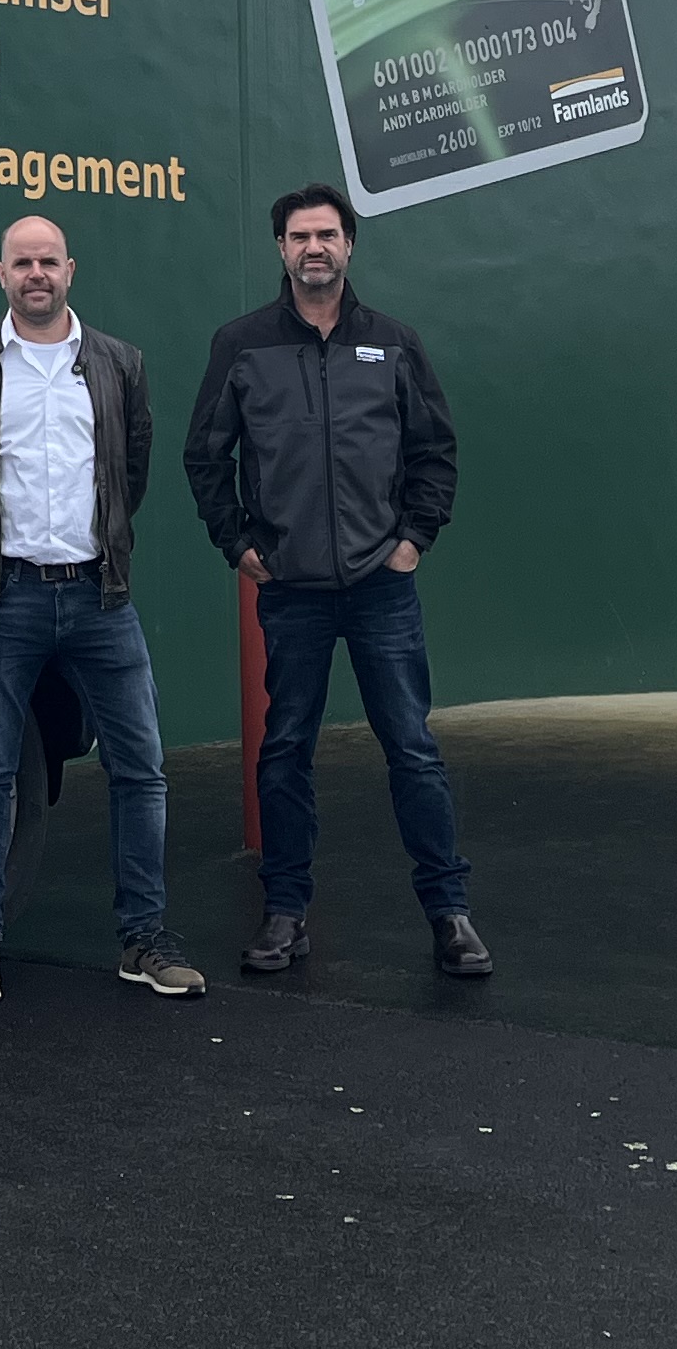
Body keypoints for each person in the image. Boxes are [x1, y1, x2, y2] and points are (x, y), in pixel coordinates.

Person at [183, 182, 490, 980]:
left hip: (382, 585)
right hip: (291, 591)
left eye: (326, 234)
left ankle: (450, 914)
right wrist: (238, 544)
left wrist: (414, 539)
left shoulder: (394, 343)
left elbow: (435, 451)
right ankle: (284, 913)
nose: (312, 248)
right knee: (285, 751)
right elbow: (204, 455)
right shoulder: (242, 345)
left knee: (413, 749)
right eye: (297, 236)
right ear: (279, 250)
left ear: (350, 245)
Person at [0, 214, 203, 1004]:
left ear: (70, 269)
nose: (35, 274)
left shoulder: (119, 365)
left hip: (99, 599)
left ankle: (143, 938)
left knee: (141, 767)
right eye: (21, 263)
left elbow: (129, 473)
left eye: (48, 262)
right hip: (0, 599)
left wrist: (96, 548)